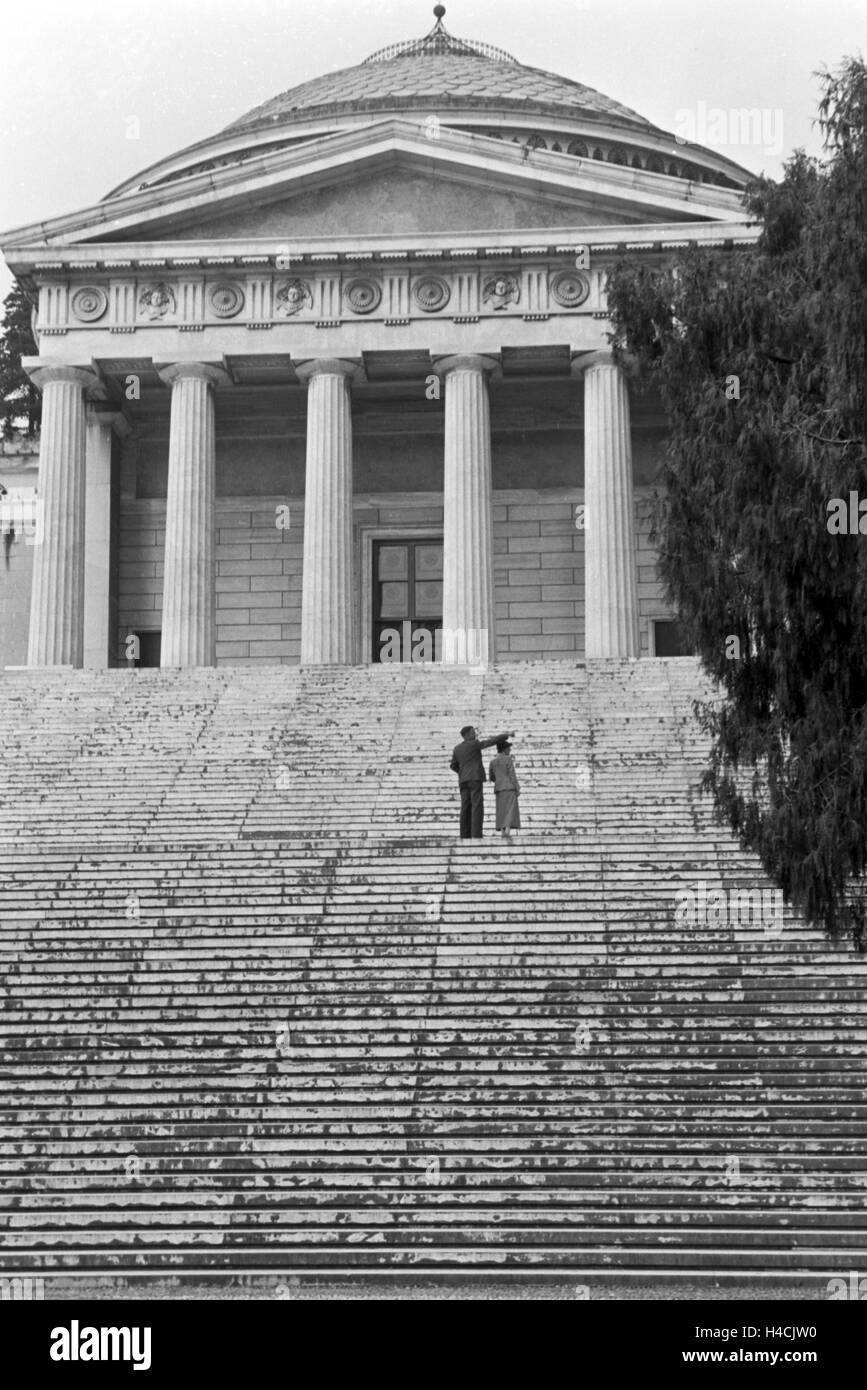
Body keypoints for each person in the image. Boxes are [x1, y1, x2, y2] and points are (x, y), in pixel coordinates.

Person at [450, 724, 514, 839]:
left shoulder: (457, 748)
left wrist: (462, 772)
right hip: (475, 778)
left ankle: (464, 835)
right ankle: (476, 834)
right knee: (476, 806)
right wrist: (506, 735)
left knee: (465, 807)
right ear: (468, 735)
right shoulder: (474, 744)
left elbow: (453, 765)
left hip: (463, 781)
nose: (475, 734)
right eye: (473, 732)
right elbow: (491, 741)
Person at [488, 740, 521, 840]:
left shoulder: (493, 762)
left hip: (499, 788)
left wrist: (498, 780)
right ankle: (507, 830)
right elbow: (512, 774)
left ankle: (502, 831)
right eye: (508, 748)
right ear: (504, 749)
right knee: (510, 809)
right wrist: (517, 787)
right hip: (509, 787)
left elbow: (491, 776)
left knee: (501, 810)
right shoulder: (508, 759)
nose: (510, 750)